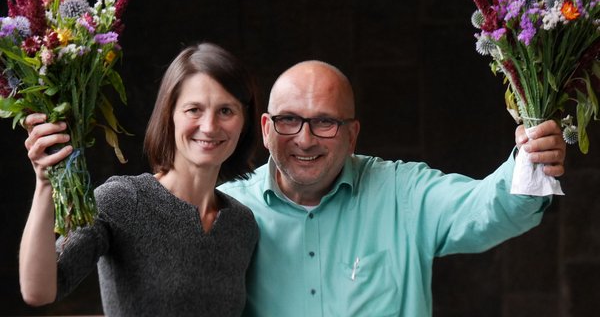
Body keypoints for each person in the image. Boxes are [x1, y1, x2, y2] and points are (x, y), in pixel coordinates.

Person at [218, 60, 567, 317]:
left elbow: (489, 208)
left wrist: (531, 157)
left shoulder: (403, 193)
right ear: (266, 129)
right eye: (289, 120)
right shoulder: (228, 209)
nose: (305, 139)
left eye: (325, 122)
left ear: (352, 134)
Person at [19, 43, 260, 316]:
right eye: (194, 109)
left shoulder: (242, 224)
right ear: (169, 116)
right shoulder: (122, 201)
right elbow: (39, 290)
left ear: (245, 122)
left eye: (226, 111)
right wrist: (44, 183)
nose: (209, 126)